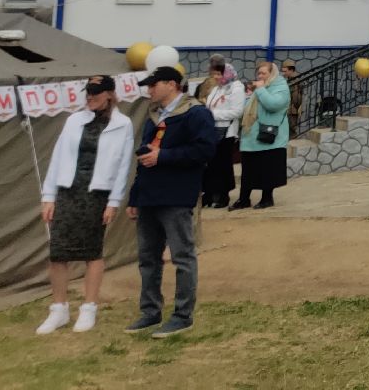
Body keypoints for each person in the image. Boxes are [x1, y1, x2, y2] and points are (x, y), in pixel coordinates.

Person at [35, 76, 135, 335]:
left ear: (109, 95)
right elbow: (57, 158)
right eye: (88, 93)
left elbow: (123, 166)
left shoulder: (123, 125)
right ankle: (58, 308)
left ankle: (89, 307)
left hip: (96, 193)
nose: (90, 97)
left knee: (92, 251)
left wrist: (114, 201)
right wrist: (49, 196)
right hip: (68, 190)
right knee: (58, 251)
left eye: (96, 93)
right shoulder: (74, 120)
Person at [125, 66, 219, 338]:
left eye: (153, 85)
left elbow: (204, 150)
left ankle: (182, 315)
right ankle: (150, 311)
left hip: (176, 195)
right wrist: (135, 196)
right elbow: (144, 158)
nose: (149, 90)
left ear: (171, 84)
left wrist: (163, 157)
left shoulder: (195, 113)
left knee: (182, 256)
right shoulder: (155, 116)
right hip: (149, 195)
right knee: (148, 257)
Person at [232, 60, 290, 210]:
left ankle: (267, 198)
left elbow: (273, 105)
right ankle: (244, 199)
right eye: (259, 73)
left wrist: (261, 89)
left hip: (269, 137)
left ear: (272, 73)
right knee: (248, 170)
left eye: (264, 73)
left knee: (267, 170)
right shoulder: (260, 88)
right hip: (251, 137)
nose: (260, 75)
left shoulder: (280, 87)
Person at [200, 61, 244, 209]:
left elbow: (237, 111)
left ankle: (223, 195)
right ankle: (209, 193)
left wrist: (212, 114)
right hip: (212, 131)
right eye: (215, 74)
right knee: (210, 164)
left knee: (222, 165)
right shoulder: (217, 88)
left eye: (219, 74)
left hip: (226, 132)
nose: (216, 77)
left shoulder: (236, 88)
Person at [281, 60, 302, 134]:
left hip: (292, 110)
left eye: (285, 71)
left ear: (291, 70)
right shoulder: (291, 79)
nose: (284, 73)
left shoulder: (295, 80)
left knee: (291, 130)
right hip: (291, 108)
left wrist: (295, 107)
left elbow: (296, 97)